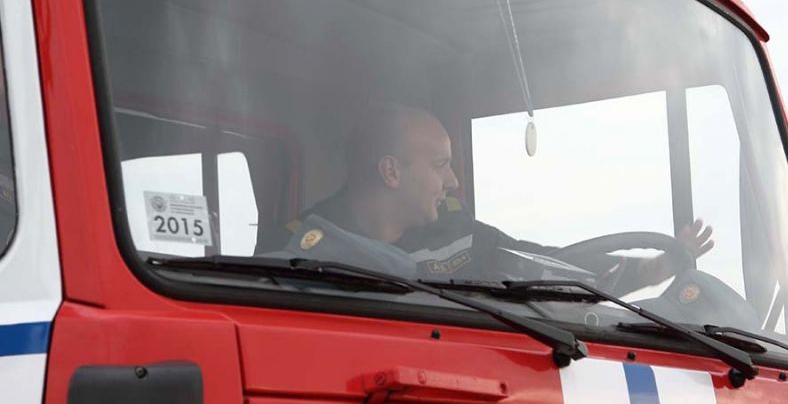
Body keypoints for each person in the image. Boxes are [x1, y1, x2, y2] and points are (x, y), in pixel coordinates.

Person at [275, 104, 714, 291]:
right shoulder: (304, 249)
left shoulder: (458, 233)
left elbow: (544, 266)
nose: (453, 182)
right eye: (440, 164)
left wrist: (654, 269)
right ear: (391, 172)